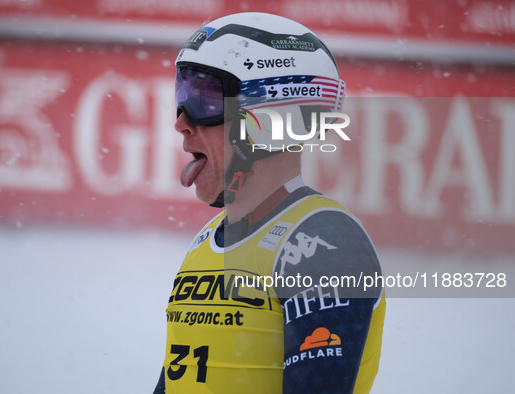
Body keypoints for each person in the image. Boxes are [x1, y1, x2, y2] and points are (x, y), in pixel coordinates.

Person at [154, 12, 385, 394]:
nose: (181, 122)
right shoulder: (208, 240)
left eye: (205, 98)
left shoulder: (323, 243)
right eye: (182, 95)